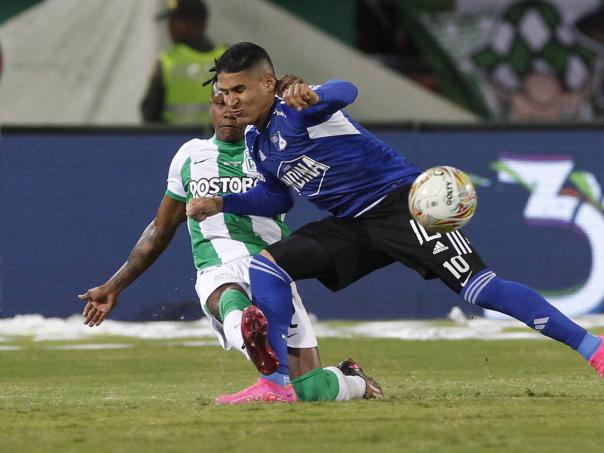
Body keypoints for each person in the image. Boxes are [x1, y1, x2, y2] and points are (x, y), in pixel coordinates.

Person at [187, 41, 604, 399]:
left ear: (267, 82)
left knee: (482, 289)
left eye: (239, 89)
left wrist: (314, 94)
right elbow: (278, 198)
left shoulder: (297, 107)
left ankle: (593, 348)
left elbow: (346, 90)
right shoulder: (257, 143)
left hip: (402, 206)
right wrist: (224, 202)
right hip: (353, 223)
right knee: (267, 268)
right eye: (225, 92)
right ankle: (275, 385)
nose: (231, 101)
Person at [79, 82, 383, 405]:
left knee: (309, 391)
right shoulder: (190, 156)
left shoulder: (270, 148)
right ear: (210, 107)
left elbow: (293, 190)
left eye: (235, 103)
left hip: (273, 266)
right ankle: (250, 331)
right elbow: (160, 228)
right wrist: (114, 285)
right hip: (217, 266)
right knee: (226, 293)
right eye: (219, 103)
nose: (228, 112)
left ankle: (354, 379)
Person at [140, 0, 225, 126]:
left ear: (192, 23)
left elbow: (149, 113)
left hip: (175, 138)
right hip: (221, 138)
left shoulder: (168, 62)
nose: (170, 28)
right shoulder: (229, 59)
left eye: (173, 21)